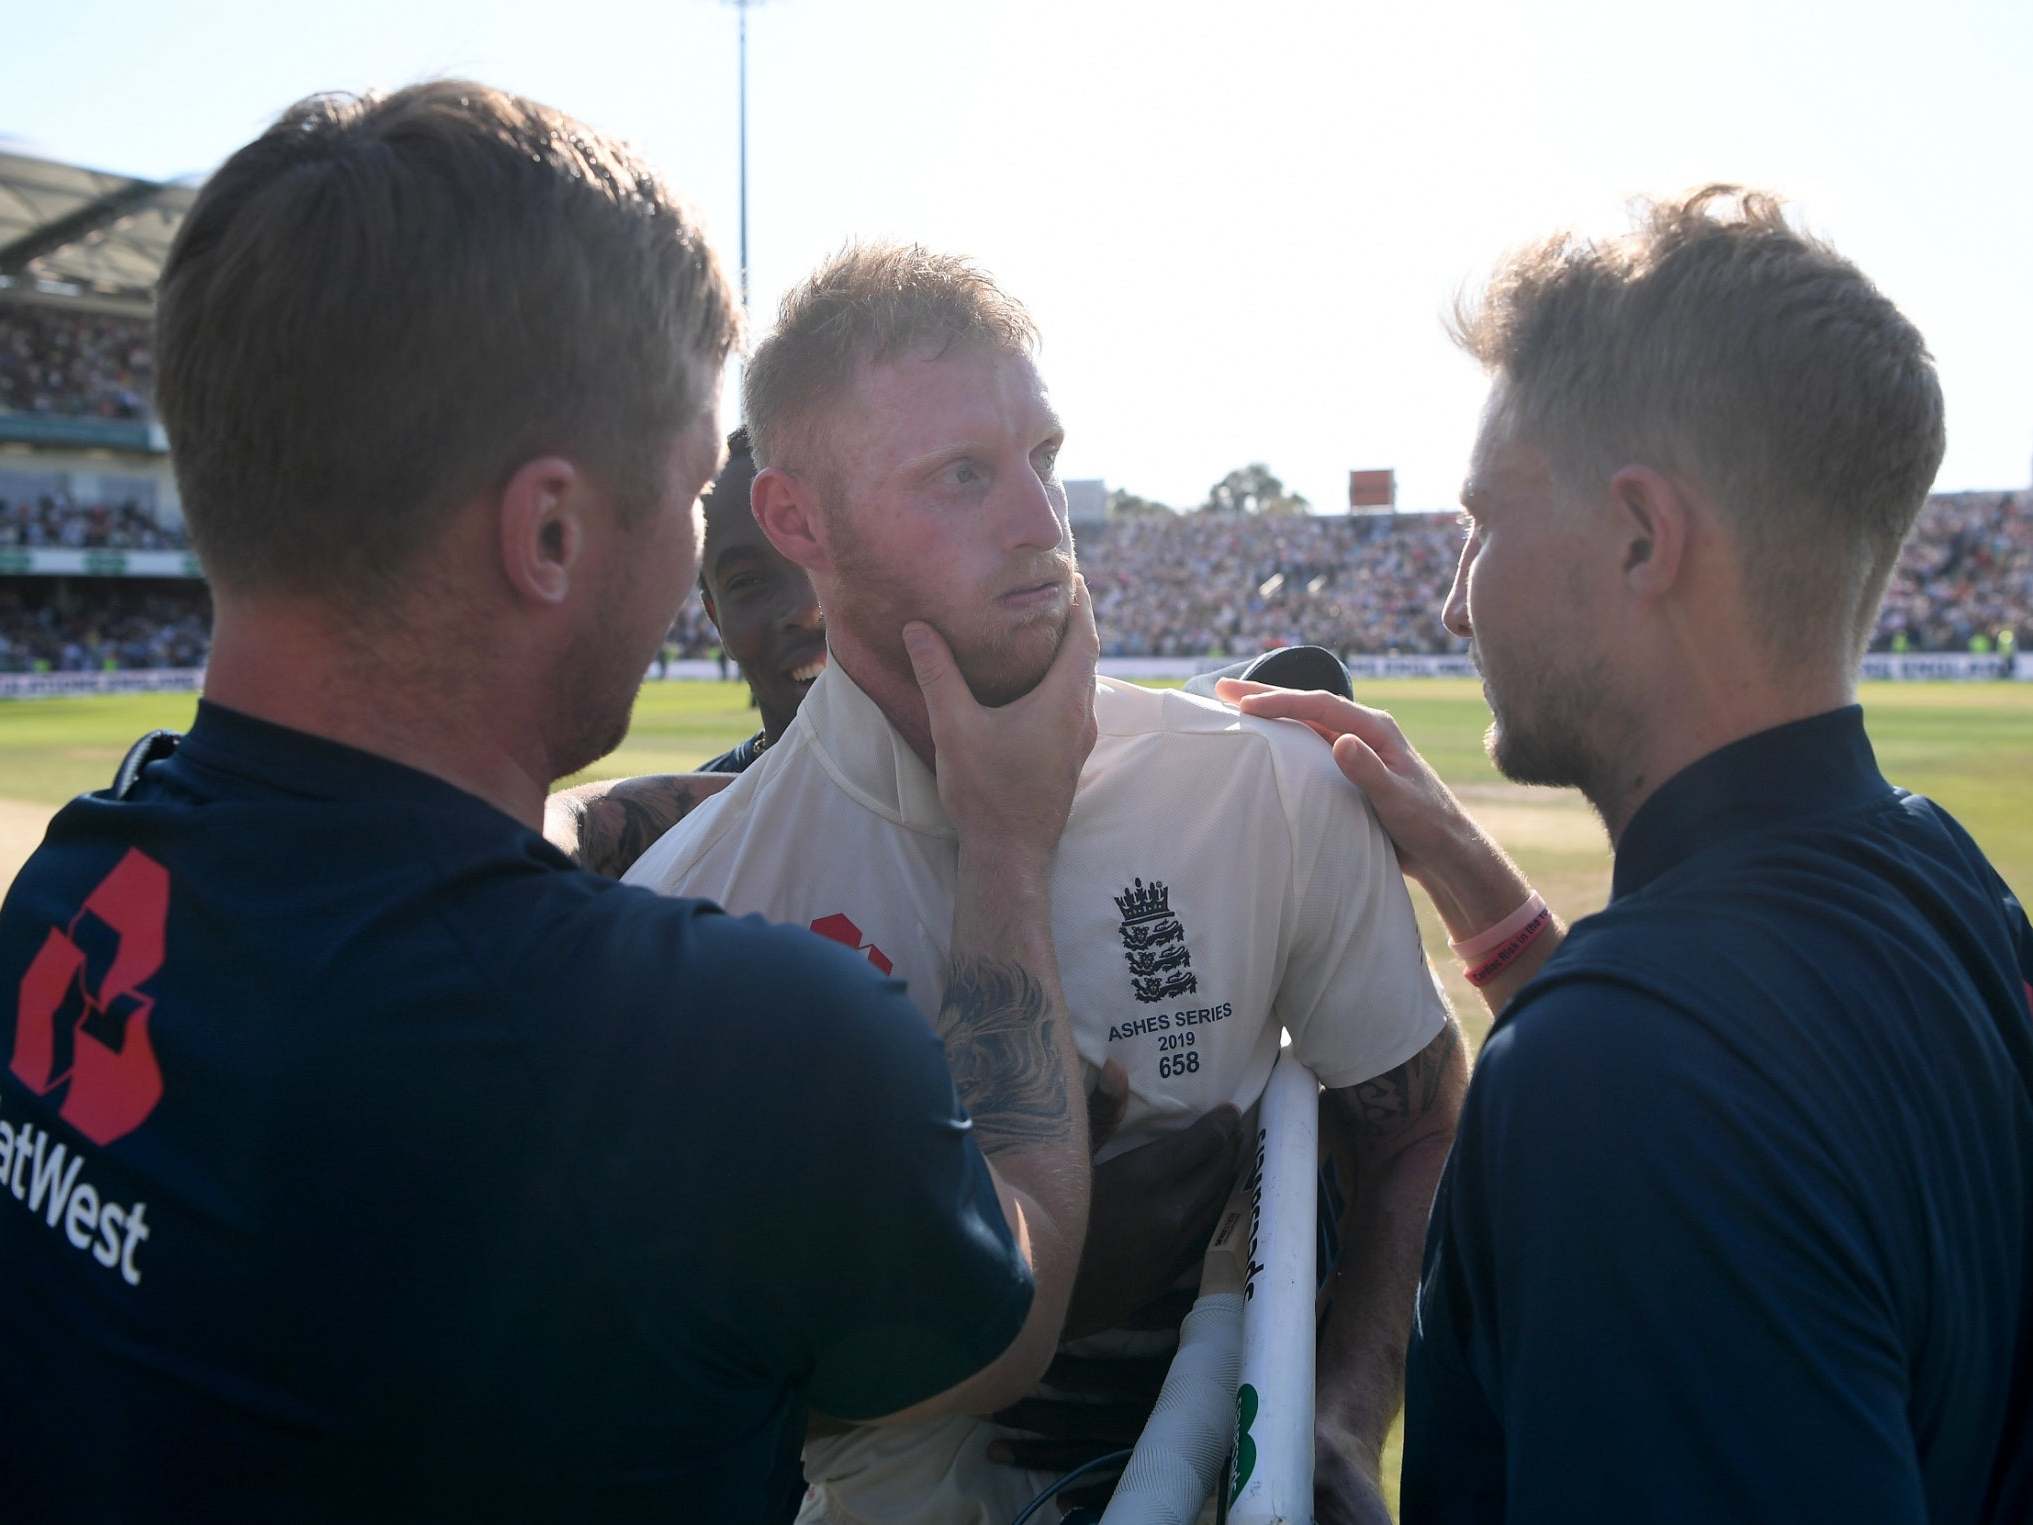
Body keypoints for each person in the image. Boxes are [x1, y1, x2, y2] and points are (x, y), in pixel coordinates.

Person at [0, 83, 1108, 1523]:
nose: (690, 564)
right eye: (690, 483)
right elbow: (1011, 1310)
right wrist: (1008, 852)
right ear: (549, 532)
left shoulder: (69, 895)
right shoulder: (735, 1046)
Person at [623, 243, 1467, 1525]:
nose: (1039, 522)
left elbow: (1410, 1122)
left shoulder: (1262, 792)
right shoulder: (688, 907)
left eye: (1044, 458)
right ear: (796, 521)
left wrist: (1338, 1423)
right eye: (962, 475)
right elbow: (682, 1368)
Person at [1228, 186, 2033, 1524]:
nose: (1451, 594)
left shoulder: (1622, 1081)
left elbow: (1682, 1102)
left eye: (1483, 522)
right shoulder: (1952, 884)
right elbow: (1800, 1119)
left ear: (1642, 537)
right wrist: (1484, 894)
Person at [694, 427, 828, 773]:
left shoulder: (978, 805)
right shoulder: (690, 823)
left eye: (830, 552)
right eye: (748, 581)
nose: (805, 609)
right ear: (714, 615)